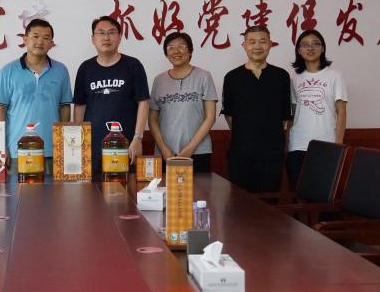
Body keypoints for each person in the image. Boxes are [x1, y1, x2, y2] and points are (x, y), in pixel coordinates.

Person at [73, 16, 150, 180]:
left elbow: (143, 102)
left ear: (120, 37)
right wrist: (79, 143)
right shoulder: (85, 68)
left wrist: (138, 138)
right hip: (92, 147)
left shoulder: (133, 65)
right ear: (93, 39)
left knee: (126, 191)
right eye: (101, 33)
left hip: (125, 145)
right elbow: (80, 106)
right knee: (92, 192)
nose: (106, 37)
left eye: (111, 32)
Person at [221, 25, 291, 193]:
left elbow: (285, 118)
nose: (257, 46)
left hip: (272, 155)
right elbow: (229, 116)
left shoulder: (281, 76)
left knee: (269, 204)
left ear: (270, 44)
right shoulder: (232, 77)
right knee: (240, 203)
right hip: (241, 154)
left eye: (262, 41)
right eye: (252, 42)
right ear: (244, 46)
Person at [0, 19, 72, 164]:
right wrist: (0, 146)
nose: (40, 42)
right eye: (35, 36)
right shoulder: (8, 71)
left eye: (46, 38)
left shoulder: (61, 71)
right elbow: (0, 109)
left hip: (52, 150)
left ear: (51, 43)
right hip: (17, 150)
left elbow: (64, 107)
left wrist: (63, 144)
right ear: (25, 39)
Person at [286, 29, 348, 189]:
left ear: (323, 48)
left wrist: (339, 144)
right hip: (298, 144)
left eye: (315, 44)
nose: (310, 48)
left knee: (324, 193)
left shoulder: (334, 76)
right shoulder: (293, 78)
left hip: (327, 143)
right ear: (299, 50)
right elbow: (292, 113)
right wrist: (286, 143)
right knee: (298, 192)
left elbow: (341, 111)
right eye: (305, 45)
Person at [149, 31, 217, 174]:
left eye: (181, 46)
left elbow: (210, 117)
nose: (176, 51)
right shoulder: (159, 80)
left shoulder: (204, 76)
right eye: (171, 48)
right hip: (165, 153)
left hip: (198, 152)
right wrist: (164, 149)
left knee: (199, 188)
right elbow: (152, 119)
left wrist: (189, 149)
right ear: (166, 53)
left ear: (190, 51)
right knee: (165, 188)